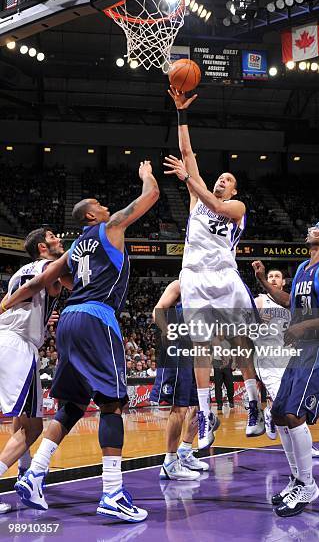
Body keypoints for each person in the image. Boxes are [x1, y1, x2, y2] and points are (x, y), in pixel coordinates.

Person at [1, 161, 159, 523]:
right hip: (96, 318)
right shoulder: (110, 226)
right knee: (113, 405)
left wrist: (5, 303)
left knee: (71, 405)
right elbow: (151, 195)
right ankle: (112, 491)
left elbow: (36, 285)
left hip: (69, 320)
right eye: (100, 204)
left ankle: (35, 473)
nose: (106, 206)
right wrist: (145, 174)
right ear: (92, 214)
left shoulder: (72, 250)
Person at [164, 87, 264, 450]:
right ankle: (205, 415)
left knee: (240, 343)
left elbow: (218, 208)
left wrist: (190, 180)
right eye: (219, 178)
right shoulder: (196, 196)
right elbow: (188, 153)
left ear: (235, 189)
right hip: (194, 278)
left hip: (224, 277)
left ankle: (253, 402)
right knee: (200, 348)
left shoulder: (237, 208)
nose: (222, 181)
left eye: (228, 179)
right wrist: (181, 114)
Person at [253, 221, 319, 517]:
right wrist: (264, 282)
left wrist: (304, 327)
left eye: (316, 227)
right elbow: (291, 304)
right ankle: (298, 479)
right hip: (303, 349)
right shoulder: (301, 269)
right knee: (279, 413)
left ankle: (308, 485)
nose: (309, 228)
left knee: (294, 414)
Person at [0, 228, 66, 514]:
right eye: (53, 236)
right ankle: (23, 475)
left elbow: (30, 296)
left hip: (8, 340)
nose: (59, 239)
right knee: (35, 426)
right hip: (18, 345)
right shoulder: (49, 266)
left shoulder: (20, 271)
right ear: (42, 246)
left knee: (23, 419)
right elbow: (43, 287)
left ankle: (23, 472)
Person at [252, 266, 319, 458]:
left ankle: (270, 413)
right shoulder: (259, 301)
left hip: (290, 357)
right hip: (267, 359)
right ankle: (305, 448)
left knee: (295, 405)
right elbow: (242, 326)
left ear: (284, 282)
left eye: (277, 276)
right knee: (284, 406)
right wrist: (256, 321)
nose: (274, 279)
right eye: (270, 276)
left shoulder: (290, 303)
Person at [151, 280, 209, 480]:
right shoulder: (181, 284)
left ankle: (184, 451)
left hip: (199, 353)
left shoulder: (209, 289)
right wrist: (167, 330)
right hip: (178, 350)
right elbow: (158, 309)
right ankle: (169, 463)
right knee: (179, 408)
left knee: (198, 406)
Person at [212, 335, 235, 412]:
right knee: (218, 386)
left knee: (230, 385)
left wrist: (234, 362)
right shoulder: (214, 341)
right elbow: (210, 353)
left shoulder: (229, 341)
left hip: (228, 364)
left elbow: (233, 352)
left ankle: (231, 401)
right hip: (217, 363)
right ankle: (219, 404)